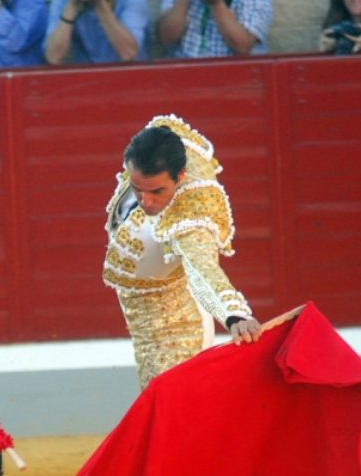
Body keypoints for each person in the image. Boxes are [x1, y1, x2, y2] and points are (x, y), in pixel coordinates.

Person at [102, 115, 261, 389]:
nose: (146, 201)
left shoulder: (190, 213)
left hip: (177, 329)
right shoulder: (155, 150)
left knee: (168, 418)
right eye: (137, 189)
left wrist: (233, 313)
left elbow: (201, 265)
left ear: (181, 177)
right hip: (146, 326)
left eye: (157, 191)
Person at [156, 0, 273, 59]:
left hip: (234, 83)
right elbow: (165, 38)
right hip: (184, 82)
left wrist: (216, 1)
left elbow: (242, 45)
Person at [44, 0, 148, 65]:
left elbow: (129, 53)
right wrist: (71, 6)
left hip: (129, 76)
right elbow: (54, 57)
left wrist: (99, 4)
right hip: (87, 77)